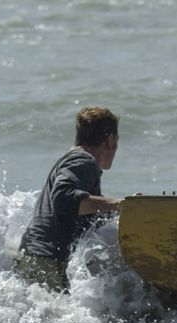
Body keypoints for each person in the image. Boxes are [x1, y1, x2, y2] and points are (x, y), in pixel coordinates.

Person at [17, 106, 124, 292]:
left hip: (35, 257)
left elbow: (79, 211)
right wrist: (117, 204)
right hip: (48, 262)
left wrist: (121, 213)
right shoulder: (84, 161)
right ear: (110, 140)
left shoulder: (73, 160)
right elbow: (64, 199)